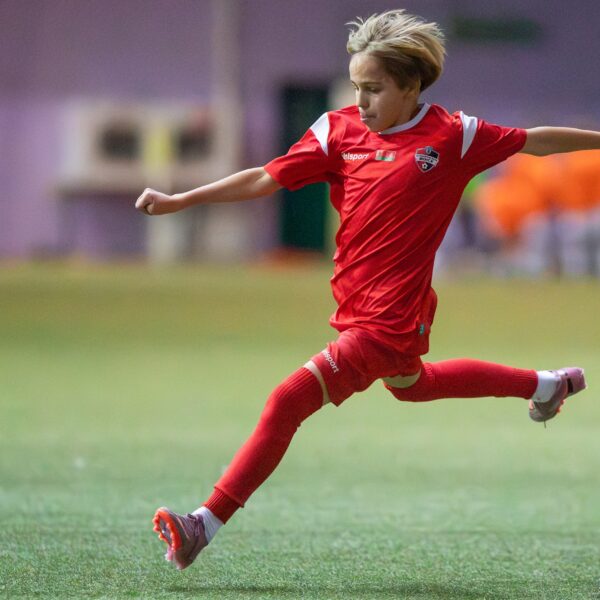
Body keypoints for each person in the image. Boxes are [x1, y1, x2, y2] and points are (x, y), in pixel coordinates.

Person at [135, 9, 597, 571]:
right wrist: (182, 200)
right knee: (413, 386)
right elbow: (264, 176)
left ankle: (201, 524)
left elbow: (536, 141)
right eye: (356, 86)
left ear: (411, 86)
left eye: (374, 89)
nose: (361, 101)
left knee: (287, 400)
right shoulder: (338, 131)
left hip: (389, 319)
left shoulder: (454, 136)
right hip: (357, 308)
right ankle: (546, 384)